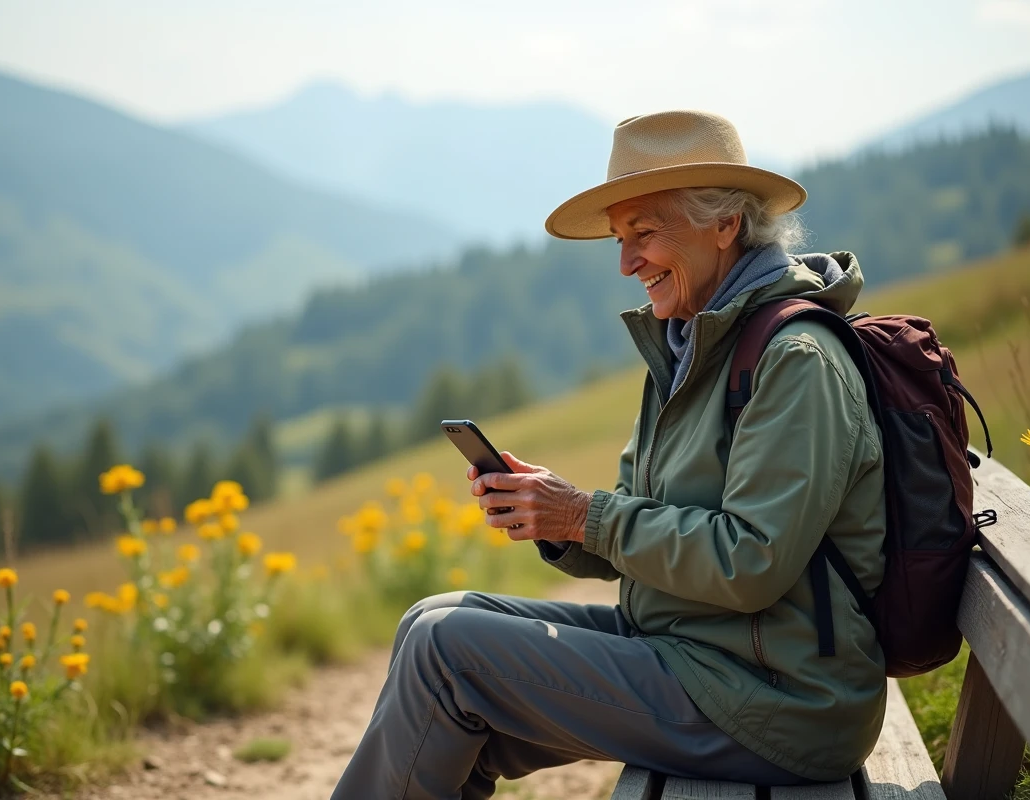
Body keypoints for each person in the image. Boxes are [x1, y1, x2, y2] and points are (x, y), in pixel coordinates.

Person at [332, 110, 886, 800]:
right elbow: (641, 521)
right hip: (702, 653)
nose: (626, 263)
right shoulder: (692, 345)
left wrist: (582, 518)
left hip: (782, 700)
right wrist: (552, 513)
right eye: (621, 240)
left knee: (446, 655)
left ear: (725, 225)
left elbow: (751, 563)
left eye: (644, 233)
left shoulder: (795, 360)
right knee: (430, 622)